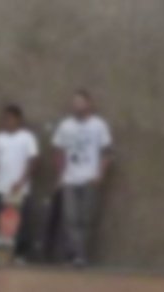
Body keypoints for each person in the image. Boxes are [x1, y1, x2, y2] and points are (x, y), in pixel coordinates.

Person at [52, 90, 113, 268]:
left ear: (89, 104)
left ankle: (79, 255)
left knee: (86, 219)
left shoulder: (99, 125)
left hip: (90, 178)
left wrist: (100, 174)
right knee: (70, 217)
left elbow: (107, 152)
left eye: (80, 101)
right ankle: (77, 256)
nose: (76, 105)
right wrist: (60, 175)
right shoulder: (65, 126)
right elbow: (58, 151)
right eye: (74, 102)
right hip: (69, 179)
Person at [0, 105, 40, 263]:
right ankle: (2, 255)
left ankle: (20, 254)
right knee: (2, 223)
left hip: (19, 189)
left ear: (18, 119)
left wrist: (22, 181)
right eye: (4, 118)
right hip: (0, 187)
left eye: (10, 118)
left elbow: (34, 161)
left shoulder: (27, 137)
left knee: (19, 223)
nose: (6, 121)